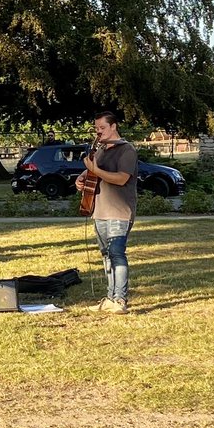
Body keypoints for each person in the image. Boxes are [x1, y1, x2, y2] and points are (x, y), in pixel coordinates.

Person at [76, 110, 138, 314]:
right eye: (96, 129)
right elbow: (92, 171)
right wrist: (82, 177)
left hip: (119, 212)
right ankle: (110, 298)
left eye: (102, 128)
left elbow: (121, 178)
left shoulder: (126, 150)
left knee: (117, 254)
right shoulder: (101, 149)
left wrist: (94, 170)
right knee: (106, 256)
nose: (98, 132)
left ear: (114, 127)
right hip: (99, 210)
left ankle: (120, 300)